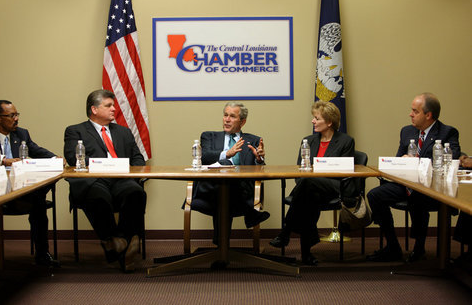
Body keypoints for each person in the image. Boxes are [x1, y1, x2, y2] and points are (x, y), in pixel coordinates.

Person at [367, 93, 460, 262]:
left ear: (428, 115)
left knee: (418, 197)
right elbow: (398, 160)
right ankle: (393, 246)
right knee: (375, 195)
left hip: (432, 188)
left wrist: (417, 162)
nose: (410, 114)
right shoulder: (407, 131)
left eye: (415, 111)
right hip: (406, 184)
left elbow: (451, 160)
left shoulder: (447, 133)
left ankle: (419, 247)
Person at [63, 89, 146, 273]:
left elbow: (138, 159)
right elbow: (72, 158)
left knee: (136, 192)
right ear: (94, 109)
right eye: (108, 105)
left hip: (121, 179)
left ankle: (118, 242)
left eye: (113, 105)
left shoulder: (124, 132)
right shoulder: (75, 131)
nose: (114, 109)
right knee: (97, 195)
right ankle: (123, 243)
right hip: (93, 180)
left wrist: (133, 174)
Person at [0, 100, 60, 267]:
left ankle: (42, 254)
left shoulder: (22, 134)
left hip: (19, 192)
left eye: (17, 114)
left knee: (39, 203)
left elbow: (35, 149)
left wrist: (55, 158)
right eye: (12, 115)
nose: (16, 119)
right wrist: (4, 160)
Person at [269, 101, 355, 265]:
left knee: (308, 185)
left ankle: (286, 231)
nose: (312, 121)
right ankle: (306, 254)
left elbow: (344, 170)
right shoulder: (308, 141)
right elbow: (299, 170)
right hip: (311, 189)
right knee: (309, 197)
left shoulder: (346, 141)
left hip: (335, 186)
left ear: (329, 122)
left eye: (317, 118)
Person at [192, 102, 270, 245]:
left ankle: (221, 246)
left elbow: (259, 171)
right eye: (225, 115)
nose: (227, 119)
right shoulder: (209, 136)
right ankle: (250, 213)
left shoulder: (253, 140)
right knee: (226, 166)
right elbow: (204, 157)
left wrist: (259, 159)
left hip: (240, 190)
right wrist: (227, 154)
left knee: (225, 192)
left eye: (232, 116)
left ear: (243, 122)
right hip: (209, 187)